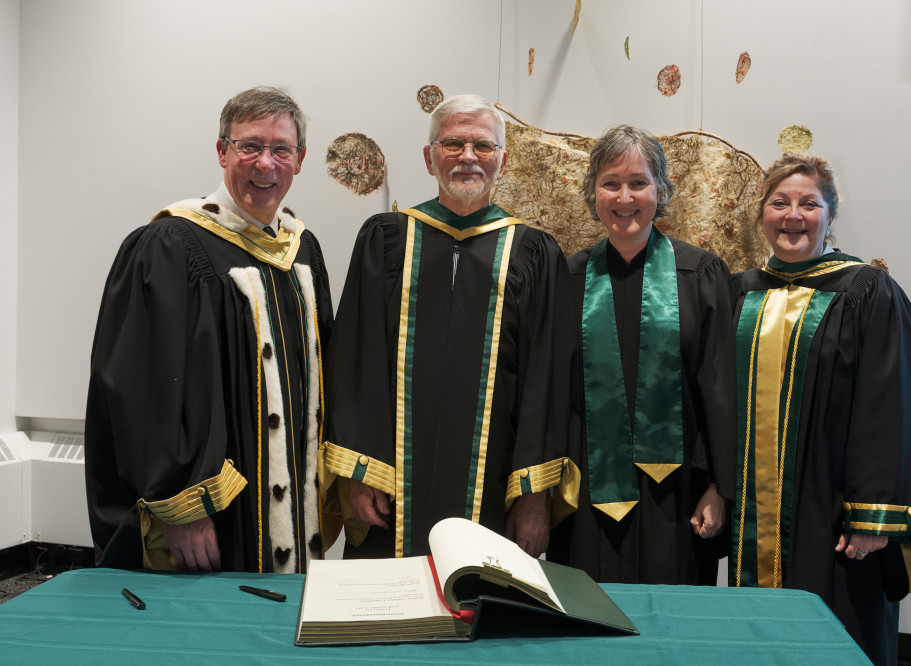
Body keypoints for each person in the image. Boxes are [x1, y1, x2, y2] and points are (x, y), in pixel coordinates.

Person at [730, 152, 911, 664]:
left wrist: (872, 516)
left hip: (836, 509)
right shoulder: (740, 293)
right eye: (779, 203)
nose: (792, 215)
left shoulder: (866, 291)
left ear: (830, 216)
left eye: (808, 204)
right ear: (762, 214)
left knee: (840, 632)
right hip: (755, 508)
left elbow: (889, 409)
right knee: (751, 634)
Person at [85, 86, 338, 574]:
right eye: (250, 146)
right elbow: (143, 387)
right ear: (223, 150)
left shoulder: (302, 250)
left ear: (299, 159)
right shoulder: (171, 245)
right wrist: (180, 505)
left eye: (280, 149)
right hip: (218, 511)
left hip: (293, 503)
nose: (266, 163)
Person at [327, 94, 577, 559]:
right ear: (429, 157)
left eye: (482, 147)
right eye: (453, 144)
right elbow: (356, 364)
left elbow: (547, 383)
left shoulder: (533, 253)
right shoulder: (386, 240)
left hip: (495, 485)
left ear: (502, 161)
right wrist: (361, 473)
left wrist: (532, 494)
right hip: (391, 486)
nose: (468, 157)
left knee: (478, 611)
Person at [546, 126, 735, 584]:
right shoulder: (567, 279)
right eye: (611, 183)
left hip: (680, 491)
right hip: (588, 489)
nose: (624, 197)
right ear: (594, 193)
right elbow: (550, 391)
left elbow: (721, 389)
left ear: (661, 191)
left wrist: (719, 487)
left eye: (638, 182)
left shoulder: (700, 275)